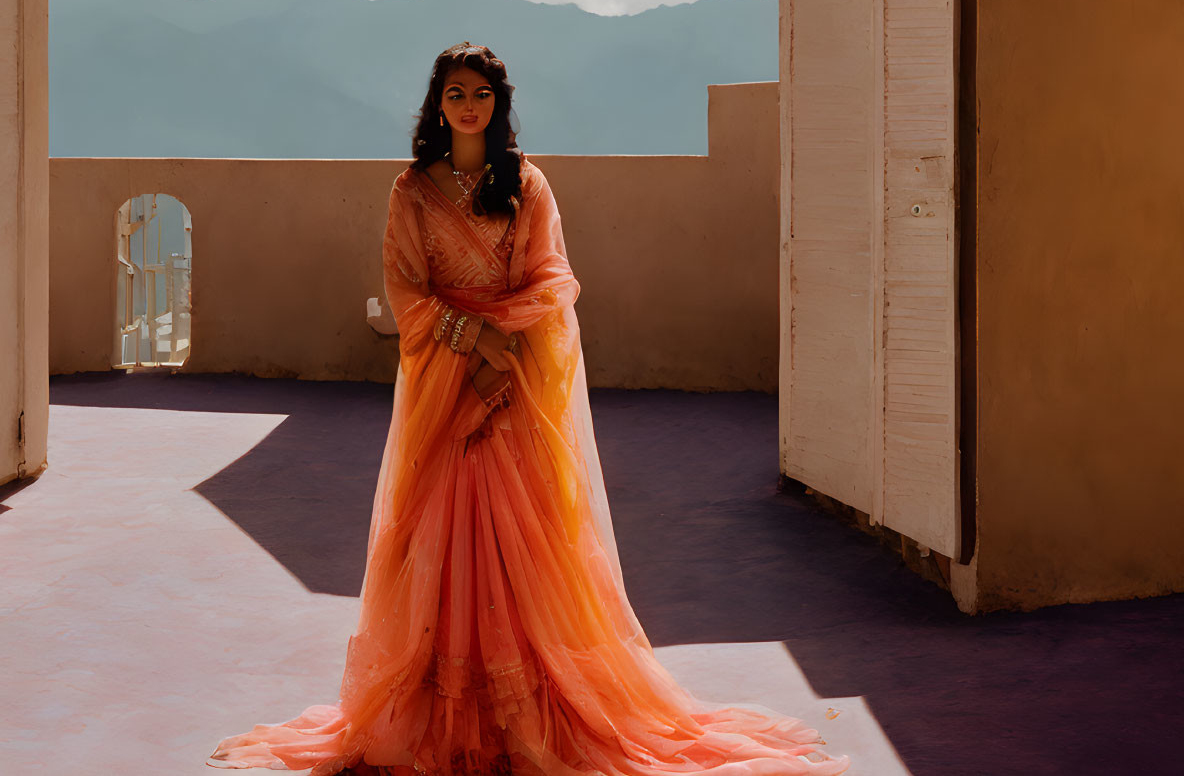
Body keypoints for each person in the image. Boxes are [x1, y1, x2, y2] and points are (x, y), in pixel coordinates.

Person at [208, 43, 848, 776]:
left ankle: (537, 700)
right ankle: (439, 700)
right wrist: (469, 342)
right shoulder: (412, 190)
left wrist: (498, 348)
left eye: (479, 93)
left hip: (515, 376)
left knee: (531, 534)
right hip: (446, 383)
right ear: (437, 104)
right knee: (438, 528)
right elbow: (406, 291)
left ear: (496, 102)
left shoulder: (526, 183)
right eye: (454, 93)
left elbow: (554, 279)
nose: (467, 105)